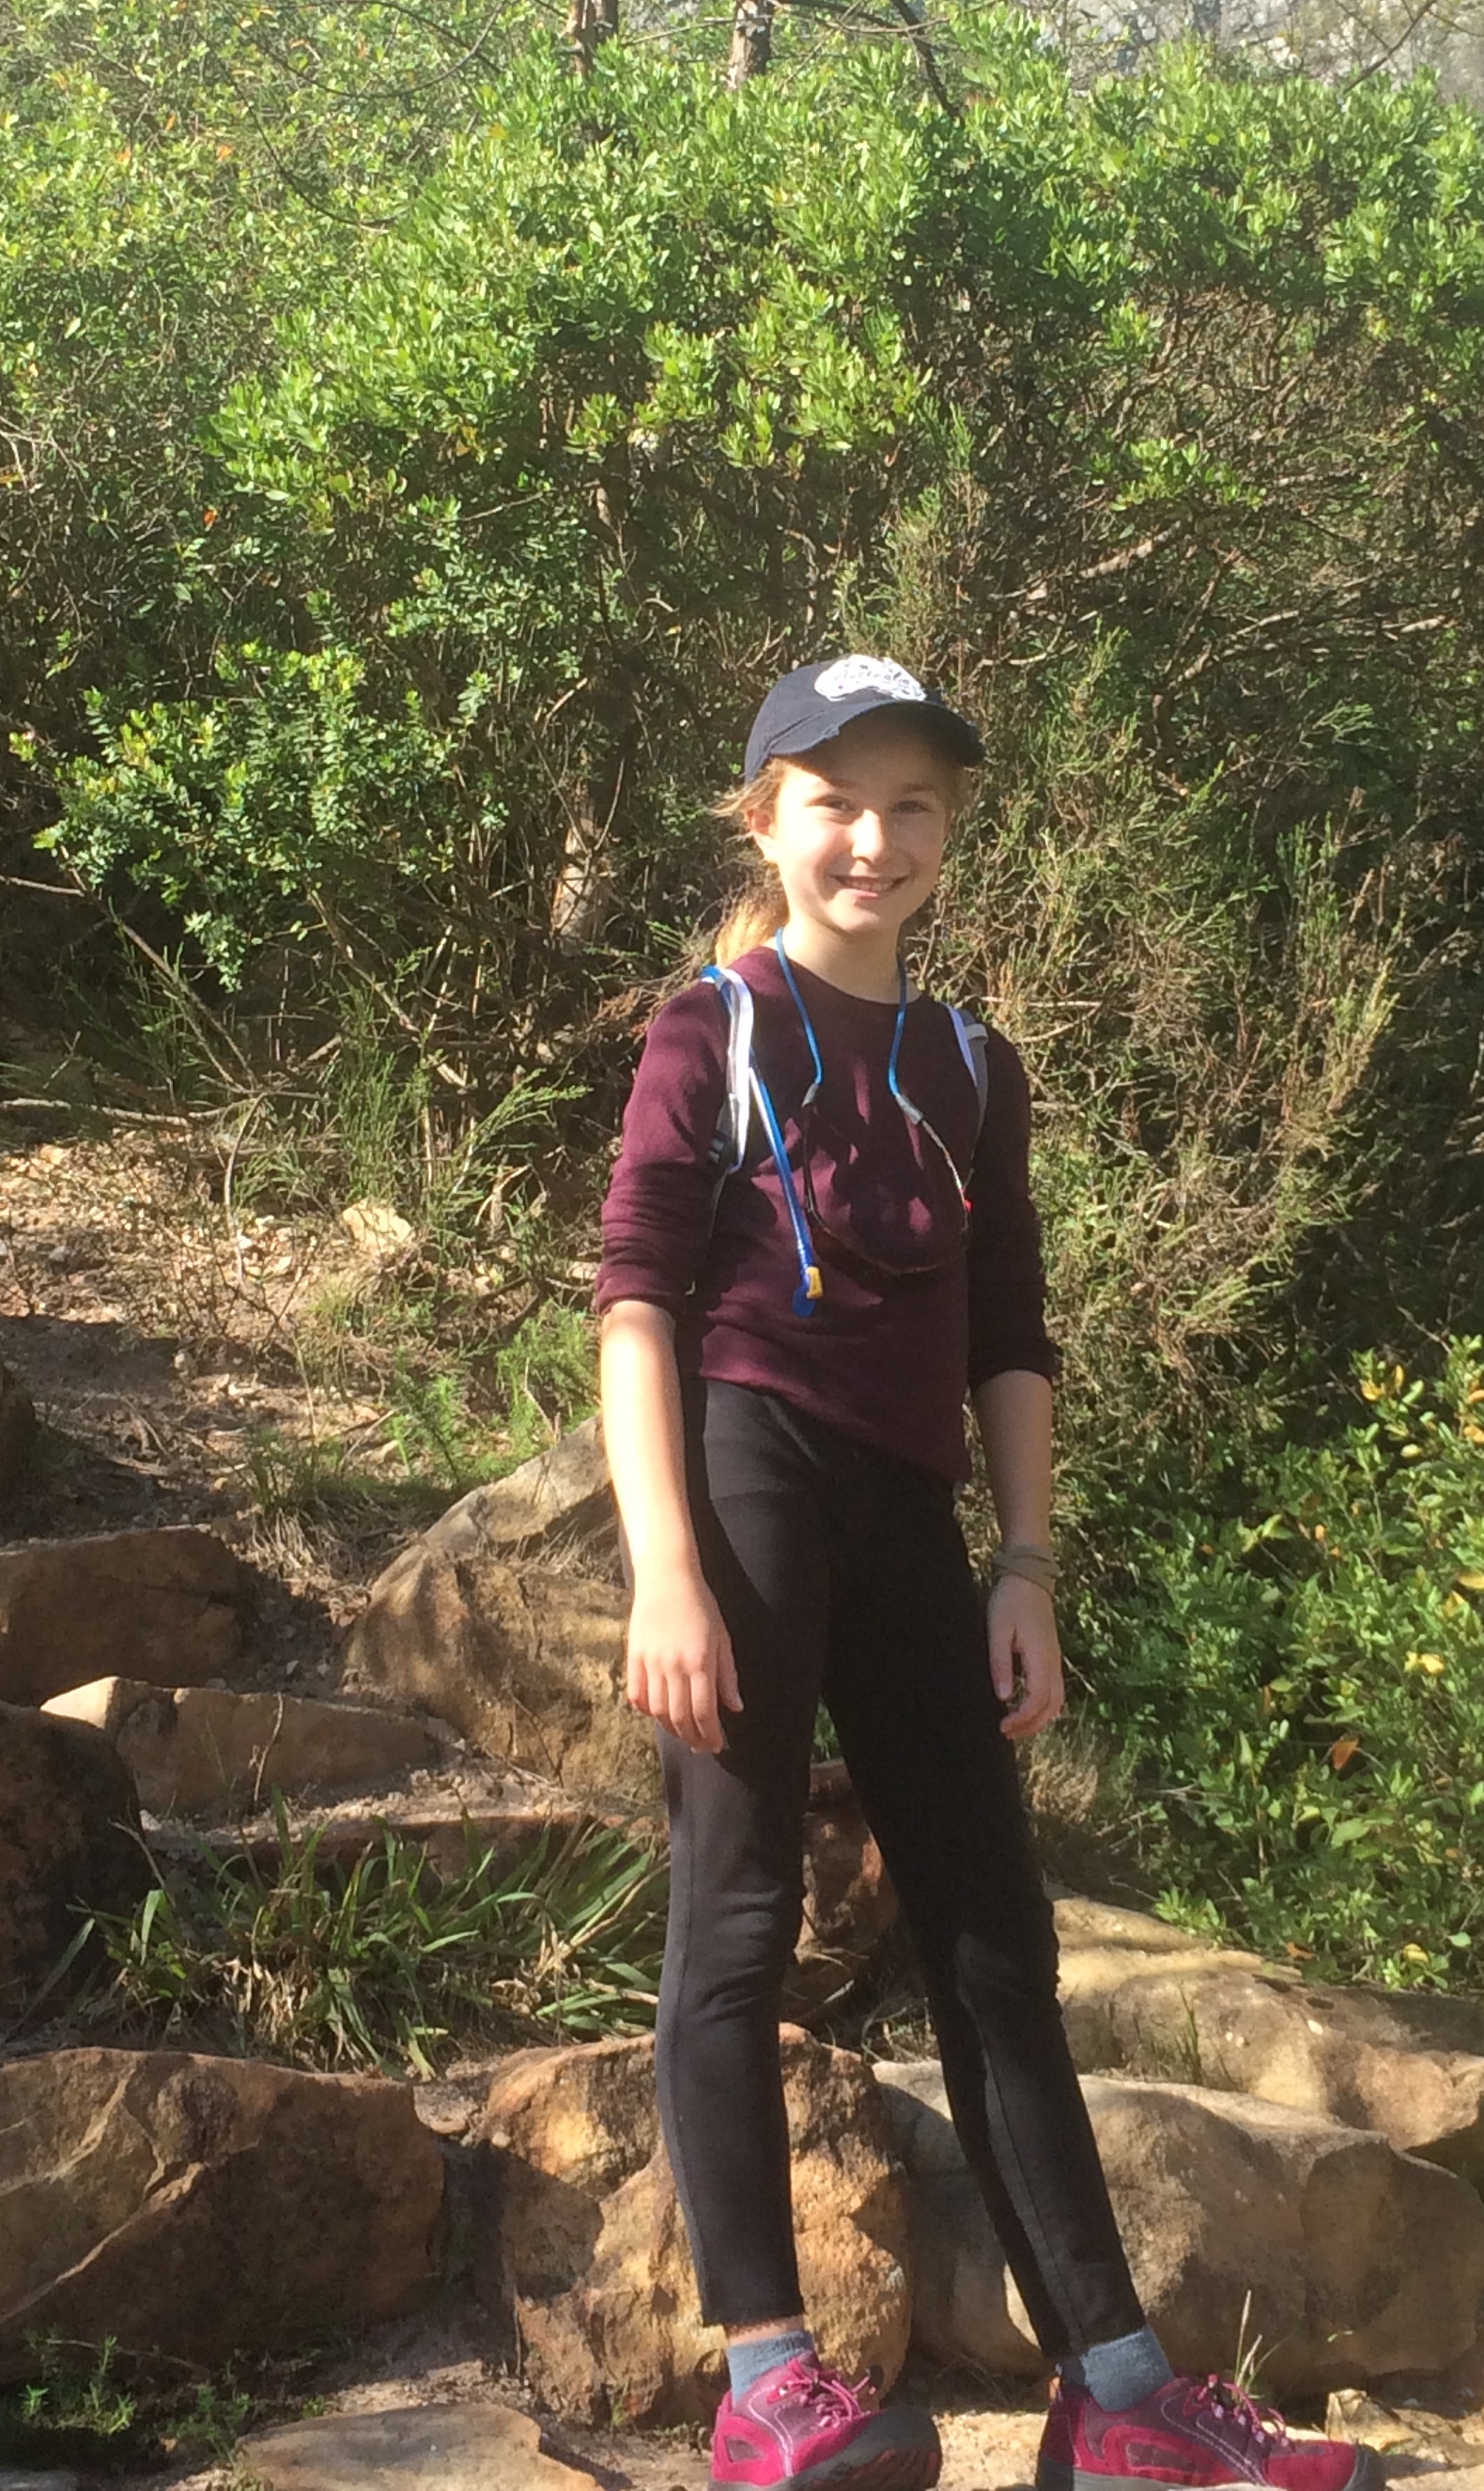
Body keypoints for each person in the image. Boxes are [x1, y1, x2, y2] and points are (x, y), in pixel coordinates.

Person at [596, 655, 1368, 2491]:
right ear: (767, 819)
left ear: (948, 828)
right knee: (736, 1917)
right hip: (749, 1474)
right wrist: (665, 1572)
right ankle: (767, 2386)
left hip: (912, 1517)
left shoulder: (969, 1066)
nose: (875, 840)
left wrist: (1026, 1565)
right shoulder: (713, 1031)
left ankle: (1117, 2397)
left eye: (913, 806)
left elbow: (1009, 1332)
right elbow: (635, 1303)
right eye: (836, 803)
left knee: (992, 1938)